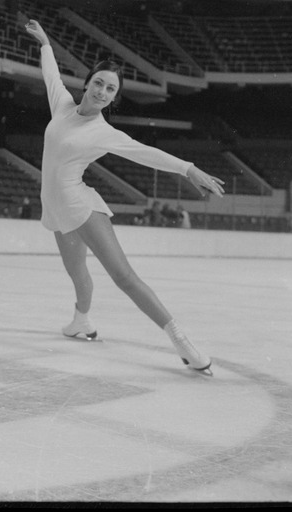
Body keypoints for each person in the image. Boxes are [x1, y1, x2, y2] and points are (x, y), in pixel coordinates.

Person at [24, 19, 225, 375]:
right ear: (87, 84)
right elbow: (51, 76)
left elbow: (146, 152)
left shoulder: (103, 132)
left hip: (81, 207)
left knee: (123, 277)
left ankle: (182, 341)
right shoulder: (63, 107)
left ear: (114, 98)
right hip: (56, 210)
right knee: (77, 273)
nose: (102, 91)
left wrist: (189, 168)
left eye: (110, 89)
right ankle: (81, 322)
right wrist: (44, 44)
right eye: (98, 83)